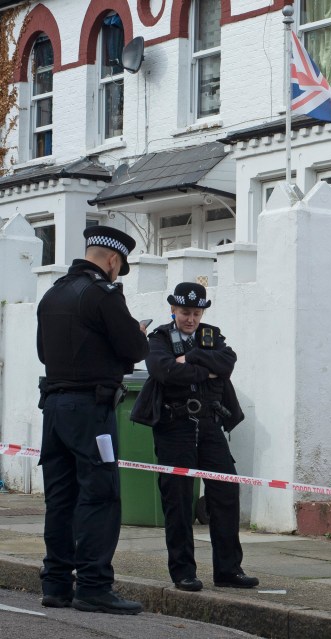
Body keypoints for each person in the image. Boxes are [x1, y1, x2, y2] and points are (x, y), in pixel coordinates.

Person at [36, 225, 149, 614]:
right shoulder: (103, 295)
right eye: (119, 267)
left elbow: (43, 352)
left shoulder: (52, 294)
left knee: (61, 497)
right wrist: (137, 333)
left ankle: (55, 584)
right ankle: (94, 586)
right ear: (113, 260)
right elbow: (134, 348)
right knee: (100, 496)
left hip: (52, 408)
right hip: (91, 411)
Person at [142, 282, 256, 592]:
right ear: (173, 310)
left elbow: (227, 363)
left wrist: (189, 361)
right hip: (174, 425)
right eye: (184, 312)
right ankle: (183, 572)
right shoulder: (160, 338)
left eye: (195, 313)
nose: (190, 318)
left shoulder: (212, 336)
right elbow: (162, 371)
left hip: (208, 423)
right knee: (177, 499)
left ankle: (229, 570)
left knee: (225, 491)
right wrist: (205, 369)